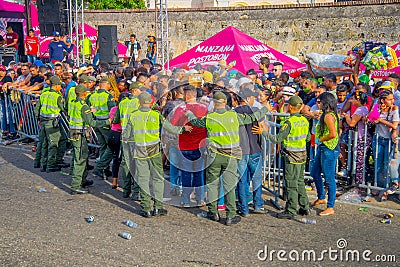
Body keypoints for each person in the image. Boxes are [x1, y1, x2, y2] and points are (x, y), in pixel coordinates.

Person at [187, 92, 270, 225]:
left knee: (213, 184)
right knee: (229, 186)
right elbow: (253, 117)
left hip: (214, 156)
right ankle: (231, 215)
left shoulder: (210, 117)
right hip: (230, 156)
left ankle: (213, 212)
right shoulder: (234, 116)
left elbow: (196, 122)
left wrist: (189, 114)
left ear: (214, 103)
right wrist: (265, 108)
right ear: (225, 102)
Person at [123, 92, 191, 218]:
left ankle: (146, 209)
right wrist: (182, 130)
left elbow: (126, 135)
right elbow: (169, 127)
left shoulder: (133, 116)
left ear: (139, 103)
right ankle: (158, 207)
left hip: (139, 150)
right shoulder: (156, 115)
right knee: (157, 178)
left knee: (143, 179)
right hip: (154, 150)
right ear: (150, 103)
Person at [253, 95, 310, 219]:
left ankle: (290, 210)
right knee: (300, 181)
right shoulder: (305, 120)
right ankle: (305, 206)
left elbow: (278, 139)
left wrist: (263, 132)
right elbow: (308, 138)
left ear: (290, 107)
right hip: (302, 155)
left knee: (291, 183)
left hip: (291, 156)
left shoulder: (289, 122)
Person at [169, 85, 208, 207]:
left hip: (185, 146)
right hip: (200, 146)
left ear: (187, 95)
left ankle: (185, 200)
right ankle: (200, 198)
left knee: (186, 173)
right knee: (199, 173)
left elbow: (172, 126)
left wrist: (182, 129)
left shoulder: (180, 109)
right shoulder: (204, 109)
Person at [68, 84, 109, 194]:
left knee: (83, 157)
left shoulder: (73, 102)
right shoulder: (83, 106)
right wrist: (106, 122)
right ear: (84, 94)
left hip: (73, 132)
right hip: (79, 134)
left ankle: (82, 180)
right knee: (80, 160)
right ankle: (75, 186)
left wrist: (89, 112)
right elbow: (91, 122)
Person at [235, 87, 267, 216]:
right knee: (257, 178)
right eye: (253, 97)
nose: (255, 99)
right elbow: (262, 127)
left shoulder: (234, 112)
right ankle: (258, 205)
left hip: (241, 150)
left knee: (242, 180)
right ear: (247, 99)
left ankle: (244, 209)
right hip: (255, 149)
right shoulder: (256, 111)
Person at [310, 92, 340, 216]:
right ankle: (321, 196)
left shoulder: (329, 116)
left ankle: (330, 206)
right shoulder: (327, 114)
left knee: (329, 178)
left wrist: (321, 139)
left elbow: (333, 133)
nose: (318, 104)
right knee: (314, 172)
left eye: (320, 102)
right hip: (324, 148)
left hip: (329, 149)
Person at [34, 76, 65, 172]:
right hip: (52, 123)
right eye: (60, 86)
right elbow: (63, 109)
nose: (61, 88)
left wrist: (38, 118)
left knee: (43, 143)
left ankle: (42, 164)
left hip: (43, 121)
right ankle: (50, 165)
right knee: (53, 144)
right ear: (56, 85)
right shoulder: (57, 96)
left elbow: (37, 108)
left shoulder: (44, 94)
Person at [89, 77, 116, 179]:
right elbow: (113, 111)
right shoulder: (108, 96)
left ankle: (104, 168)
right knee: (109, 147)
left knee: (102, 145)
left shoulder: (93, 95)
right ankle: (102, 168)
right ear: (107, 85)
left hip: (96, 122)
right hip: (106, 123)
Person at [0, 64, 14, 139]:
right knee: (3, 115)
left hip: (7, 98)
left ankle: (11, 131)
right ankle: (4, 130)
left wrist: (6, 84)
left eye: (2, 71)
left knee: (9, 114)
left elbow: (10, 83)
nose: (1, 72)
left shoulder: (7, 78)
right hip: (2, 99)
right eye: (0, 71)